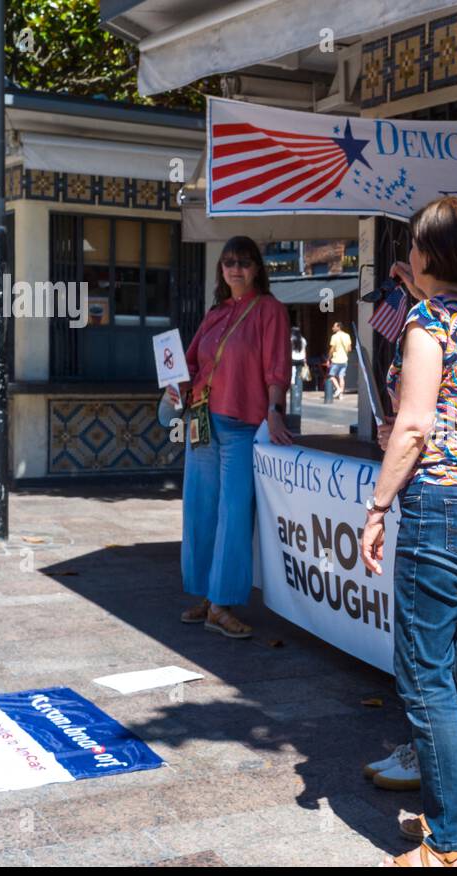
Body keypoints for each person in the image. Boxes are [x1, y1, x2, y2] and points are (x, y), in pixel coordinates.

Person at [361, 196, 457, 867]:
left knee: (425, 674)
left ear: (428, 256)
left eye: (417, 247)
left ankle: (450, 844)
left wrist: (376, 505)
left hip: (442, 505)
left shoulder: (427, 324)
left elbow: (417, 426)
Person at [175, 236, 292, 640]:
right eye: (228, 262)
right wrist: (175, 385)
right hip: (201, 420)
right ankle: (209, 596)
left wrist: (275, 411)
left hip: (242, 423)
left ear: (257, 267)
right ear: (220, 270)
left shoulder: (270, 311)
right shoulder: (216, 312)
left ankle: (222, 604)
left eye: (243, 262)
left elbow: (277, 367)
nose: (235, 268)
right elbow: (190, 361)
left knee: (234, 513)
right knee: (200, 509)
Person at [327, 321, 351, 400]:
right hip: (344, 360)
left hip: (336, 359)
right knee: (341, 377)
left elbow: (332, 349)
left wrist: (328, 358)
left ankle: (339, 389)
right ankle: (341, 395)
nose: (332, 328)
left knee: (331, 376)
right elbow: (349, 348)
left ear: (338, 327)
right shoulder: (347, 336)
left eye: (334, 326)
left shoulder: (334, 337)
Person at [290, 325, 307, 418]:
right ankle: (299, 385)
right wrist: (305, 359)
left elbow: (289, 350)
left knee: (292, 372)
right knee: (299, 374)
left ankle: (293, 385)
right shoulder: (303, 340)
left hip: (293, 358)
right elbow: (305, 350)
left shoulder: (291, 339)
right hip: (301, 359)